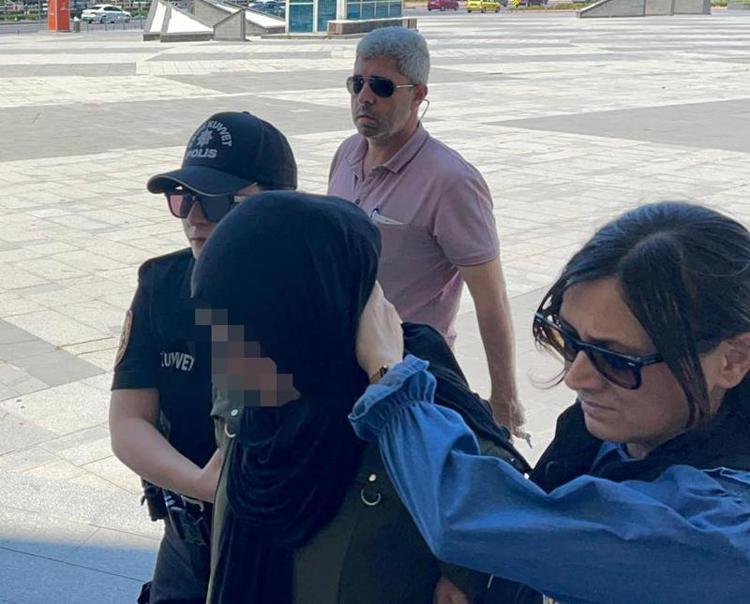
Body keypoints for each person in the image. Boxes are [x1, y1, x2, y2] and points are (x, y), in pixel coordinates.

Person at [348, 201, 750, 603]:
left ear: (733, 359)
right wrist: (478, 574)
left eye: (617, 359)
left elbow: (463, 519)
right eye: (567, 340)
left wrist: (389, 374)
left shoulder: (723, 530)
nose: (577, 377)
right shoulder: (628, 428)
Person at [190, 191, 527, 604]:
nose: (220, 354)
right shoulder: (254, 407)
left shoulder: (424, 430)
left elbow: (505, 534)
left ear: (312, 318)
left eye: (247, 330)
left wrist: (387, 380)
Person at [108, 111, 297, 604]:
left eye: (213, 200)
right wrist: (201, 484)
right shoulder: (162, 286)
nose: (194, 217)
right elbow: (128, 421)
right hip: (188, 539)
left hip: (284, 550)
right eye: (183, 198)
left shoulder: (312, 292)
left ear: (274, 205)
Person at [328, 26, 524, 433]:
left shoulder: (451, 181)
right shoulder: (346, 154)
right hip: (339, 365)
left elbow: (492, 298)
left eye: (381, 86)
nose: (365, 97)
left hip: (410, 377)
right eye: (357, 83)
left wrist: (504, 399)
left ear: (418, 95)